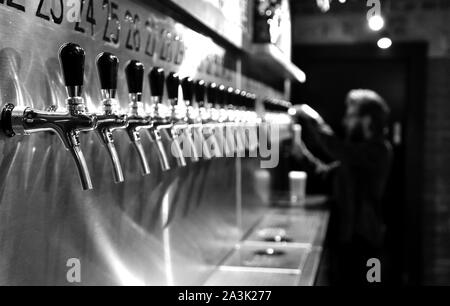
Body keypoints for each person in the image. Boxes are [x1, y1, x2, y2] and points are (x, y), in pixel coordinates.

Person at [291, 89, 393, 285]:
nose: (345, 121)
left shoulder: (379, 150)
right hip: (347, 240)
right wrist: (301, 154)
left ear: (367, 120)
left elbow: (338, 149)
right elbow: (326, 174)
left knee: (371, 283)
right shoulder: (356, 153)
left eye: (350, 115)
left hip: (367, 243)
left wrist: (313, 119)